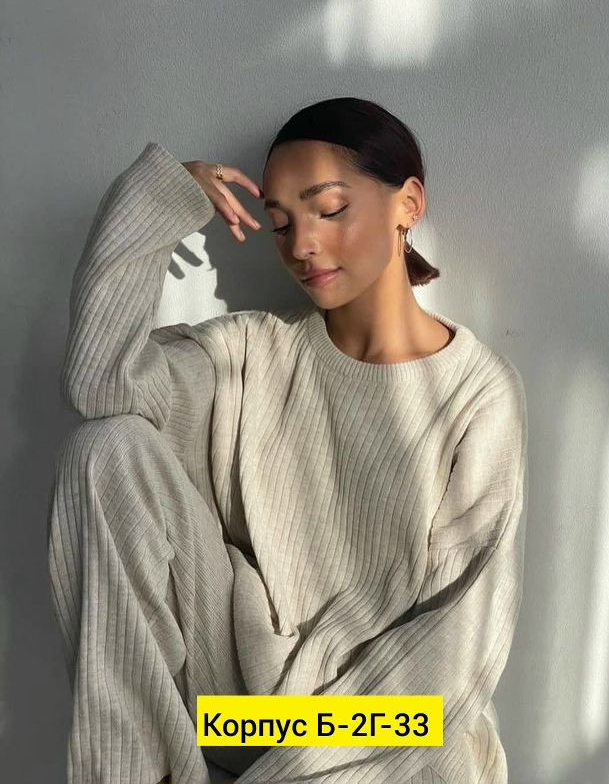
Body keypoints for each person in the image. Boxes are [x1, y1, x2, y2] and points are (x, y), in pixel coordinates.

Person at [47, 97, 528, 784]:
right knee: (103, 449)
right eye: (279, 224)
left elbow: (456, 650)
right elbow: (101, 385)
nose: (301, 245)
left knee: (444, 748)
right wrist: (159, 203)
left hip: (387, 729)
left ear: (408, 203)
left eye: (329, 209)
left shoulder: (479, 392)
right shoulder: (249, 353)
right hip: (238, 717)